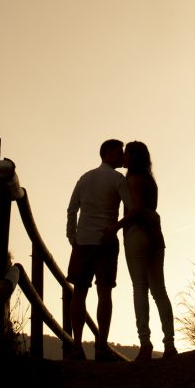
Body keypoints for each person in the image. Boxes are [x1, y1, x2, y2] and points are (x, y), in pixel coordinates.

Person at [112, 140, 176, 362]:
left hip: (137, 233)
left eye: (127, 154)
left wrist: (115, 226)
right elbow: (150, 209)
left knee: (139, 287)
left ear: (133, 157)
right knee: (160, 290)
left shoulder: (133, 180)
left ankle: (145, 344)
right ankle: (169, 344)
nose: (124, 157)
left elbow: (137, 209)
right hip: (156, 234)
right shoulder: (150, 181)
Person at [65, 138, 125, 361]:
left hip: (83, 241)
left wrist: (73, 237)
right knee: (105, 293)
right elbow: (129, 207)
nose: (122, 157)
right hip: (106, 242)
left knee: (79, 294)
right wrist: (116, 227)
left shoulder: (85, 178)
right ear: (108, 153)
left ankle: (76, 346)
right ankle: (101, 346)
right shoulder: (118, 179)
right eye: (119, 153)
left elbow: (72, 209)